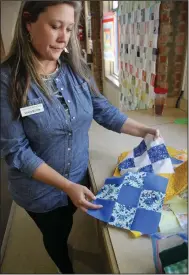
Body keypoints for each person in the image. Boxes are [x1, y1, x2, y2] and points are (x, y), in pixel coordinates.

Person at [1, 1, 160, 273]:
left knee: (73, 222)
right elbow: (17, 151)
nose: (64, 37)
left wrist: (143, 130)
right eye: (55, 26)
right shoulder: (7, 80)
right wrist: (66, 187)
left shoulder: (76, 68)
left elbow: (103, 110)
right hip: (40, 193)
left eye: (70, 28)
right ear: (28, 23)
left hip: (78, 175)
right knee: (56, 235)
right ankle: (65, 267)